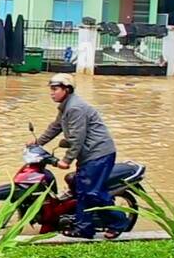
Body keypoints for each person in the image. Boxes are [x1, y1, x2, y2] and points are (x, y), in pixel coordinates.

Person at [30, 73, 128, 240]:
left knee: (91, 193)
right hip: (90, 155)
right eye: (51, 89)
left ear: (67, 89)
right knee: (81, 191)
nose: (51, 93)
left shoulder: (75, 108)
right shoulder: (66, 106)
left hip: (98, 154)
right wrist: (37, 143)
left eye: (55, 89)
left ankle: (119, 221)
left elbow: (77, 138)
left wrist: (66, 160)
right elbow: (55, 127)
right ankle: (84, 228)